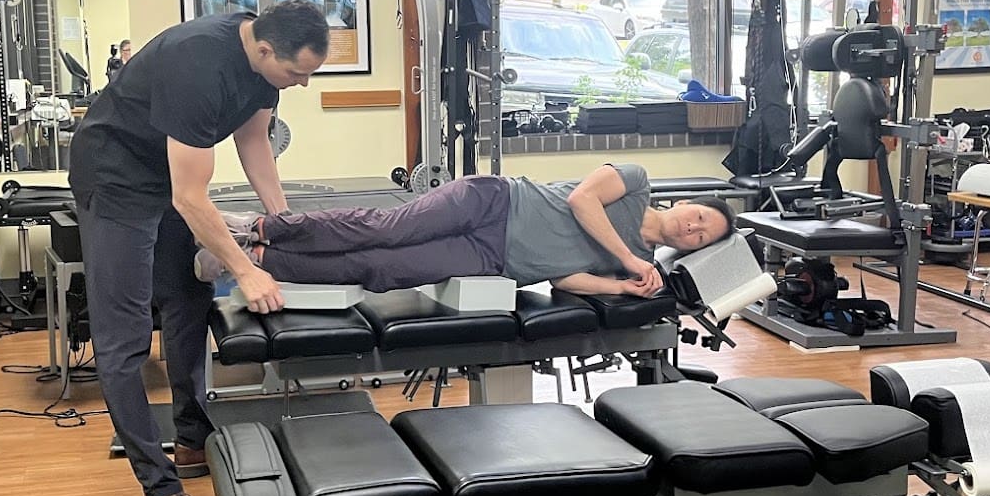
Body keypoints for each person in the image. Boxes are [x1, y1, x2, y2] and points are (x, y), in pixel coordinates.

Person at [69, 1, 329, 496]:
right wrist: (247, 272)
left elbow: (254, 142)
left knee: (188, 298)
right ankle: (160, 494)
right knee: (126, 340)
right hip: (115, 179)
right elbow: (191, 196)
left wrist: (284, 227)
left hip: (163, 177)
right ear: (264, 50)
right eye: (297, 73)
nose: (301, 85)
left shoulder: (262, 66)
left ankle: (191, 440)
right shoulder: (199, 64)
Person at [198, 164, 734, 297]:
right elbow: (581, 200)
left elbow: (562, 277)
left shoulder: (631, 265)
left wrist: (620, 284)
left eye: (704, 237)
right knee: (383, 229)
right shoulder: (635, 183)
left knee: (382, 270)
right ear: (687, 203)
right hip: (493, 200)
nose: (695, 229)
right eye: (702, 218)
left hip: (491, 259)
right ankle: (258, 225)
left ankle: (251, 260)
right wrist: (634, 261)